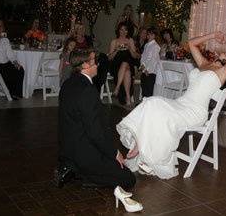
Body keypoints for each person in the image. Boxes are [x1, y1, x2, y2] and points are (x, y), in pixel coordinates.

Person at [116, 31, 226, 179]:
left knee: (164, 114)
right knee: (151, 101)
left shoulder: (223, 73)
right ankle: (139, 145)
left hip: (194, 112)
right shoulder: (204, 64)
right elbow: (191, 43)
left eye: (223, 58)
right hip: (181, 103)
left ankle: (149, 155)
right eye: (220, 56)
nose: (219, 57)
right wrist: (212, 35)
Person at [58, 49, 136, 189]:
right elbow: (95, 132)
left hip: (68, 149)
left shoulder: (67, 84)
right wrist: (114, 153)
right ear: (85, 66)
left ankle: (73, 167)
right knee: (128, 178)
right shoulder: (88, 90)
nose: (98, 65)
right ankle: (84, 176)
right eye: (94, 61)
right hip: (84, 152)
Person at [0, 19, 24, 100]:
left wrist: (15, 62)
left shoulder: (5, 40)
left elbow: (10, 54)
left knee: (20, 69)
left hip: (4, 64)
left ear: (3, 28)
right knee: (5, 70)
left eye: (0, 26)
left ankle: (16, 94)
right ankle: (10, 92)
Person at [108, 22, 139, 106]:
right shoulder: (114, 41)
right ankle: (128, 98)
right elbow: (109, 58)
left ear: (128, 31)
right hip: (116, 66)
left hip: (129, 63)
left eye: (125, 30)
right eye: (121, 30)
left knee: (126, 63)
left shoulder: (130, 40)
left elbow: (135, 56)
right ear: (118, 31)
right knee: (127, 71)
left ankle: (117, 88)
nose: (123, 32)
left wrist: (129, 48)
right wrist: (116, 50)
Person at [139, 27, 160, 97]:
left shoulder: (156, 46)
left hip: (150, 72)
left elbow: (153, 60)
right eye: (148, 34)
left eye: (151, 34)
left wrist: (147, 70)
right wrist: (143, 68)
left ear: (155, 36)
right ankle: (144, 103)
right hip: (144, 70)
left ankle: (148, 105)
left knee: (149, 90)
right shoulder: (146, 45)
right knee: (143, 88)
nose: (149, 36)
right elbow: (143, 57)